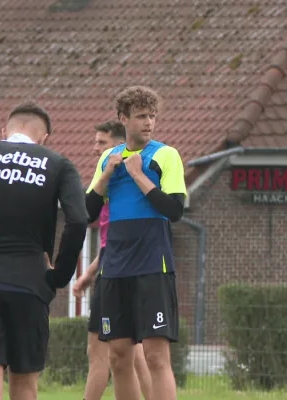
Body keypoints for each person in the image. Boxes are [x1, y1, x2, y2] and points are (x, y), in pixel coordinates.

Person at [85, 86, 186, 400]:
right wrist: (106, 176)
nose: (149, 123)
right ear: (123, 119)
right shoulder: (107, 158)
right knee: (117, 355)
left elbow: (175, 210)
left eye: (152, 116)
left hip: (152, 265)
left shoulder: (165, 155)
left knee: (156, 356)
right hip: (115, 268)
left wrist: (139, 176)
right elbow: (87, 211)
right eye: (142, 116)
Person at [0, 102, 88, 400]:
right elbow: (79, 219)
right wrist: (59, 275)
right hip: (30, 283)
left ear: (4, 131)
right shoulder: (57, 164)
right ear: (44, 138)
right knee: (25, 383)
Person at [73, 120, 153, 400]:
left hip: (119, 275)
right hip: (116, 268)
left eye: (101, 143)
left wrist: (93, 273)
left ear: (118, 146)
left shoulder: (114, 188)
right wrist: (89, 273)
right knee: (133, 354)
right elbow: (109, 243)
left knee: (101, 352)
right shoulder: (111, 185)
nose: (95, 149)